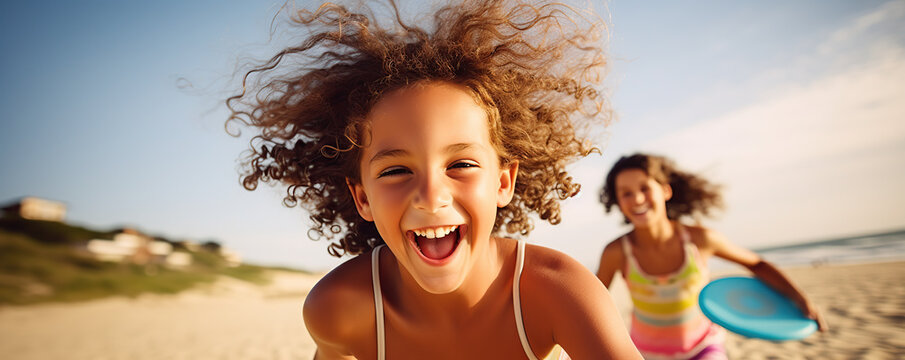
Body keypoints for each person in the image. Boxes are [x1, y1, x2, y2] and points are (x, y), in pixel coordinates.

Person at [226, 1, 641, 359]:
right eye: (395, 171)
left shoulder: (558, 293)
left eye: (461, 164)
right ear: (363, 198)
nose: (431, 196)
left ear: (503, 182)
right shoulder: (338, 308)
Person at [596, 153, 827, 359]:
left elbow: (757, 264)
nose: (637, 199)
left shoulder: (700, 240)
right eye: (626, 193)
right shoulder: (617, 252)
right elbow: (594, 300)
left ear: (665, 191)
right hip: (643, 354)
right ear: (618, 202)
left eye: (645, 188)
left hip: (703, 347)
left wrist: (800, 299)